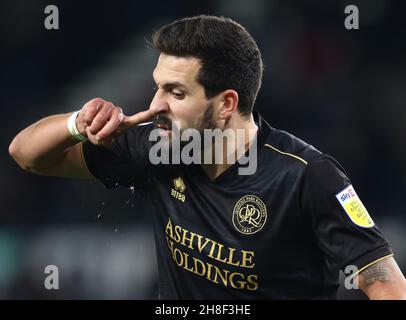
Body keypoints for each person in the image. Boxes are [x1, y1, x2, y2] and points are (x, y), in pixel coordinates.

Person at [9, 15, 406, 299]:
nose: (154, 105)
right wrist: (79, 122)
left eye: (176, 93)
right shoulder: (156, 148)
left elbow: (386, 282)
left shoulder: (307, 176)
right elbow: (26, 154)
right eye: (157, 87)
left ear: (226, 103)